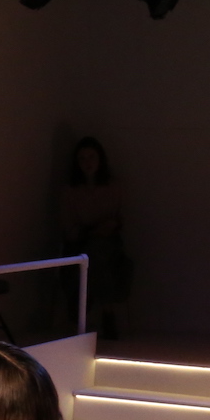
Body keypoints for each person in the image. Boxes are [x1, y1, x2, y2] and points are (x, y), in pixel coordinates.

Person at [59, 136, 129, 339]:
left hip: (108, 242)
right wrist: (90, 232)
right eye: (82, 159)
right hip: (78, 244)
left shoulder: (113, 188)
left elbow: (119, 219)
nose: (87, 163)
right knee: (91, 257)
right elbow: (68, 227)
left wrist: (105, 228)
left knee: (98, 254)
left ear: (100, 160)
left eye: (91, 157)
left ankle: (88, 316)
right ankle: (105, 314)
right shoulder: (69, 191)